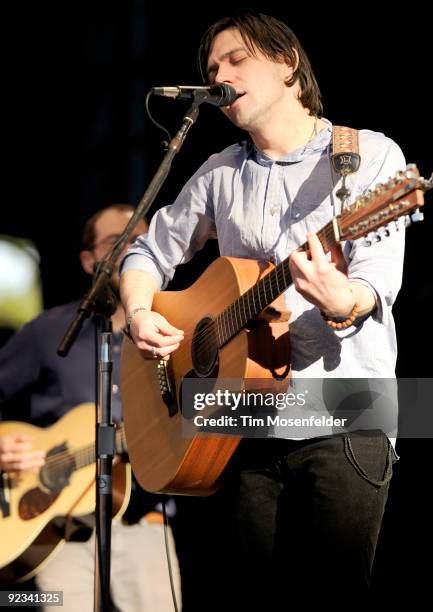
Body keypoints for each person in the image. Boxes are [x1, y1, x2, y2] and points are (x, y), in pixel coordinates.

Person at [119, 10, 406, 608]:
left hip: (344, 411)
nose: (218, 75)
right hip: (240, 421)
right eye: (210, 68)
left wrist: (341, 300)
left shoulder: (367, 155)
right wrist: (141, 310)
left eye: (235, 59)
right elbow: (147, 247)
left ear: (288, 65)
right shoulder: (220, 171)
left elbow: (377, 282)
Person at [0, 204, 181, 612]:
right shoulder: (46, 332)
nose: (132, 250)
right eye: (117, 242)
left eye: (142, 241)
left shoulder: (175, 332)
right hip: (56, 535)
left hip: (144, 524)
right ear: (88, 261)